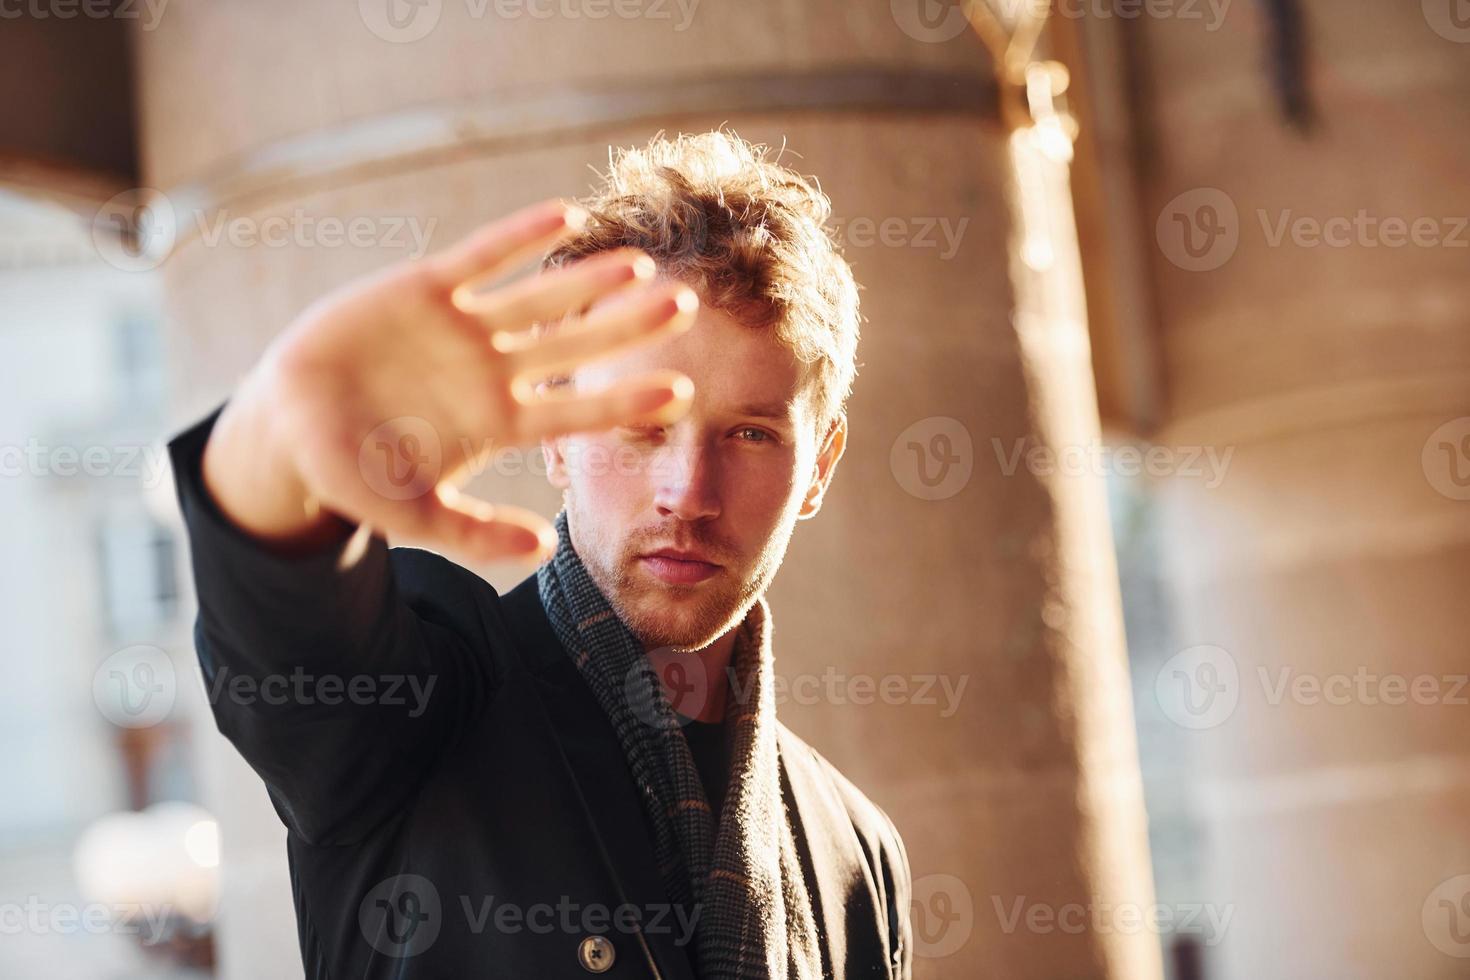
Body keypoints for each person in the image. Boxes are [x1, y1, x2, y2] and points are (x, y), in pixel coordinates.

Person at [169, 130, 913, 979]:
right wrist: (275, 440)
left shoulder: (856, 851)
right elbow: (285, 632)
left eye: (750, 433)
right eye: (642, 421)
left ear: (818, 467)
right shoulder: (414, 709)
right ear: (555, 437)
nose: (688, 491)